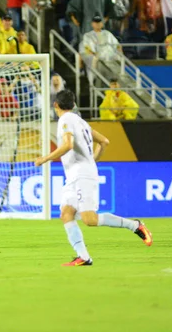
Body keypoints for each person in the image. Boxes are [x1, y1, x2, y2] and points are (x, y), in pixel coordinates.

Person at [34, 90, 152, 266]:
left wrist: (45, 158)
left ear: (55, 105)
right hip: (77, 174)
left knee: (89, 219)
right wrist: (91, 161)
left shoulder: (65, 120)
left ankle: (135, 225)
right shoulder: (80, 121)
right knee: (66, 214)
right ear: (73, 105)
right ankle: (84, 257)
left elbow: (68, 145)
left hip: (81, 175)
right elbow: (104, 141)